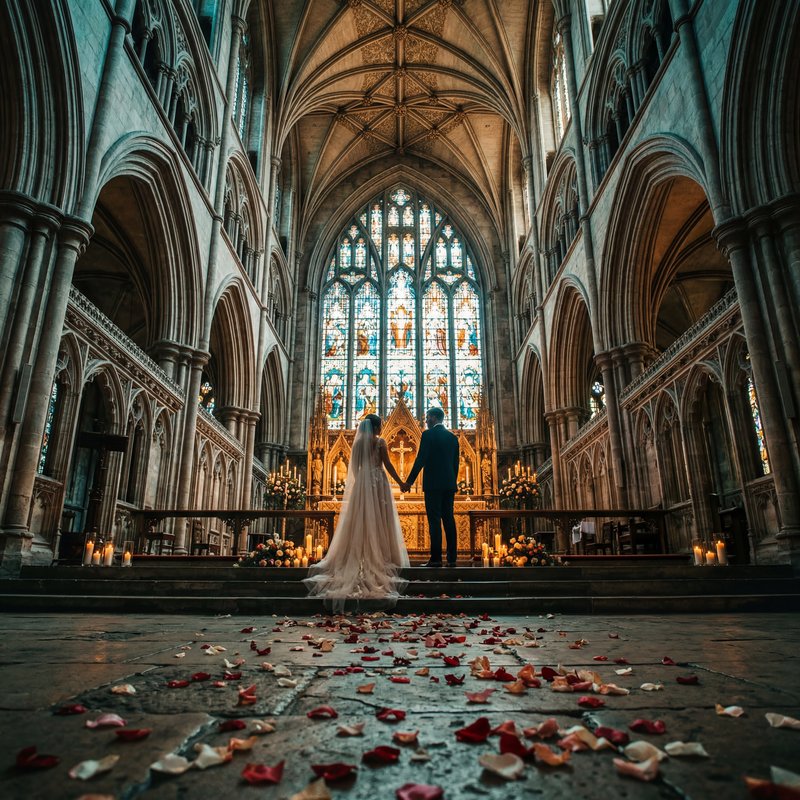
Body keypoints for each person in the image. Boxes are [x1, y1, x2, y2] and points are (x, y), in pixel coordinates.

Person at [304, 414, 409, 611]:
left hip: (362, 484)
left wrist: (361, 481)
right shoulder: (380, 442)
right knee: (379, 520)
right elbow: (387, 465)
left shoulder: (358, 443)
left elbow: (354, 468)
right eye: (381, 425)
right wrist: (402, 482)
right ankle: (381, 557)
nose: (381, 429)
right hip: (378, 483)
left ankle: (359, 555)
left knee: (360, 521)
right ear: (376, 426)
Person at [401, 407, 460, 567]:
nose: (426, 421)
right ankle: (452, 558)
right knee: (448, 519)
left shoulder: (428, 435)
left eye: (427, 417)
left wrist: (409, 482)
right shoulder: (452, 438)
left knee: (434, 520)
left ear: (434, 418)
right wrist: (451, 482)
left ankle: (436, 559)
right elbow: (456, 464)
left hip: (433, 485)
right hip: (449, 485)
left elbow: (421, 459)